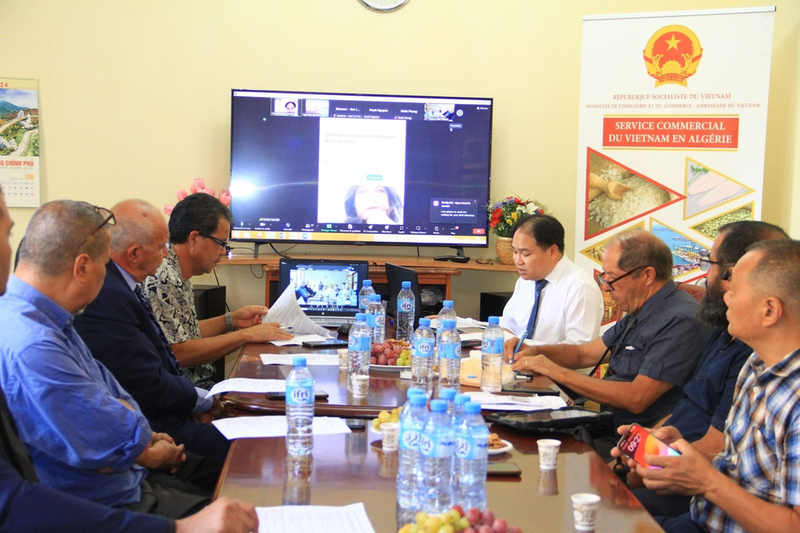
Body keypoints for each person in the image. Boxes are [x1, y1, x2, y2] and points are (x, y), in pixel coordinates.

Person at [0, 192, 258, 532]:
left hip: (127, 481)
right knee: (250, 498)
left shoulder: (49, 319)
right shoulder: (35, 343)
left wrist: (131, 429)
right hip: (108, 503)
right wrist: (135, 436)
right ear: (82, 267)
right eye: (6, 233)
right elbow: (108, 437)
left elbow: (110, 390)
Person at [616, 240, 800, 533]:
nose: (725, 297)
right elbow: (746, 470)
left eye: (735, 290)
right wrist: (677, 453)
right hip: (701, 517)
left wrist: (706, 482)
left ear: (769, 310)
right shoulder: (755, 365)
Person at [74, 200, 231, 463]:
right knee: (245, 449)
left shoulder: (124, 285)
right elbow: (149, 380)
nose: (167, 254)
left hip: (167, 412)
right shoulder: (109, 297)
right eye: (161, 247)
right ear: (134, 254)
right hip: (155, 424)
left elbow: (164, 354)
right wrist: (204, 403)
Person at [509, 230, 707, 429]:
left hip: (633, 439)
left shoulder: (679, 321)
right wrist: (535, 352)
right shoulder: (641, 311)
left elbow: (636, 398)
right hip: (606, 423)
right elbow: (583, 354)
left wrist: (555, 371)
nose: (605, 288)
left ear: (647, 275)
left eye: (612, 278)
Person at [144, 193, 292, 389]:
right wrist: (246, 335)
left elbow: (183, 332)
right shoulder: (163, 277)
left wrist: (231, 321)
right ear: (194, 238)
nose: (223, 251)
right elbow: (179, 352)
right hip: (181, 391)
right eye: (221, 243)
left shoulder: (179, 273)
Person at [499, 214, 603, 354]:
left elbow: (580, 350)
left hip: (559, 372)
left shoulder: (580, 287)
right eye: (515, 251)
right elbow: (507, 326)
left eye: (525, 254)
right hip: (518, 366)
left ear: (552, 251)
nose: (518, 260)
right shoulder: (525, 282)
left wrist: (533, 352)